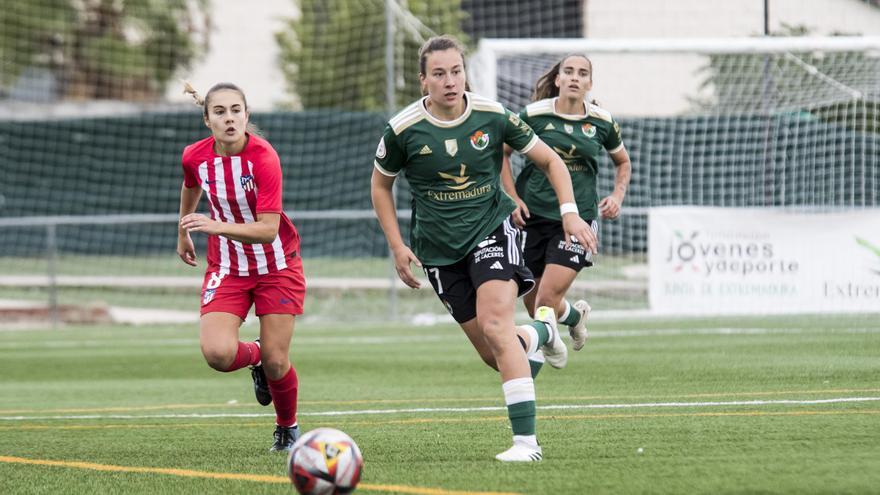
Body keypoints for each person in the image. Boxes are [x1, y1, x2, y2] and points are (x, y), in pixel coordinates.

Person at [371, 36, 598, 462]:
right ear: (424, 81)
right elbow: (381, 185)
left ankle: (526, 445)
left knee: (497, 328)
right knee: (497, 354)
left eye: (456, 71)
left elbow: (551, 160)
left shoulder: (493, 115)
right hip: (438, 251)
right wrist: (397, 245)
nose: (450, 81)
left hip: (493, 232)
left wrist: (570, 213)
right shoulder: (403, 129)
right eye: (439, 74)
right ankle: (545, 331)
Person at [177, 82, 306, 452]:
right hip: (228, 267)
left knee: (278, 362)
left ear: (246, 116)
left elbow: (268, 230)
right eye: (220, 112)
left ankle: (287, 428)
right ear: (207, 120)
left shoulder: (264, 158)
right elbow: (191, 184)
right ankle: (257, 356)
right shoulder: (195, 156)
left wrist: (215, 226)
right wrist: (183, 229)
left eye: (236, 110)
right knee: (217, 354)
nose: (229, 118)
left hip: (277, 266)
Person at [502, 54, 632, 370]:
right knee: (534, 303)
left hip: (576, 222)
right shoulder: (533, 115)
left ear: (589, 83)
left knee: (544, 299)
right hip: (531, 218)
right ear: (558, 79)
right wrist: (512, 197)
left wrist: (617, 195)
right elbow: (500, 155)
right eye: (569, 72)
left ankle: (538, 355)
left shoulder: (602, 121)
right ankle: (575, 317)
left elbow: (623, 162)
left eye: (582, 73)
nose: (575, 77)